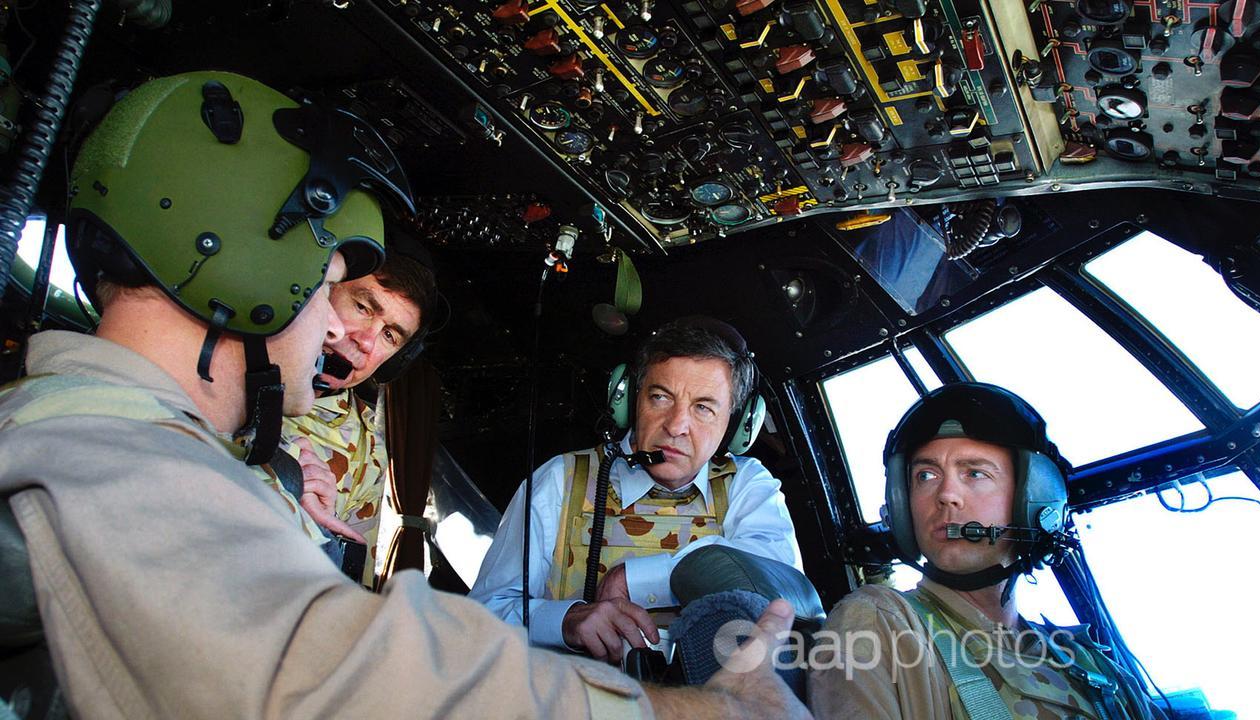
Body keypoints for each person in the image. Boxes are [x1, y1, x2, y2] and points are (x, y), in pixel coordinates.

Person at [0, 70, 810, 719]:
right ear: (243, 269)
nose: (333, 331)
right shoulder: (120, 457)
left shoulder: (112, 436)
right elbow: (329, 681)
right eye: (331, 289)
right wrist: (703, 712)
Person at [808, 382, 1166, 720]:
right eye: (926, 476)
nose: (947, 494)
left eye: (975, 473)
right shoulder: (880, 623)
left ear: (1033, 498)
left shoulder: (1090, 664)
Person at [471, 317, 803, 662]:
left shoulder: (746, 484)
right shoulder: (561, 479)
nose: (676, 426)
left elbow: (782, 583)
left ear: (736, 426)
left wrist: (641, 579)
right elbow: (481, 617)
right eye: (660, 397)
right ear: (629, 399)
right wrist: (563, 621)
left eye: (703, 407)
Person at [260, 246, 435, 588]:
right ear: (321, 291)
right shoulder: (221, 367)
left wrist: (319, 527)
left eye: (389, 335)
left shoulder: (367, 448)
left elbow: (345, 585)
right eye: (362, 307)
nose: (367, 342)